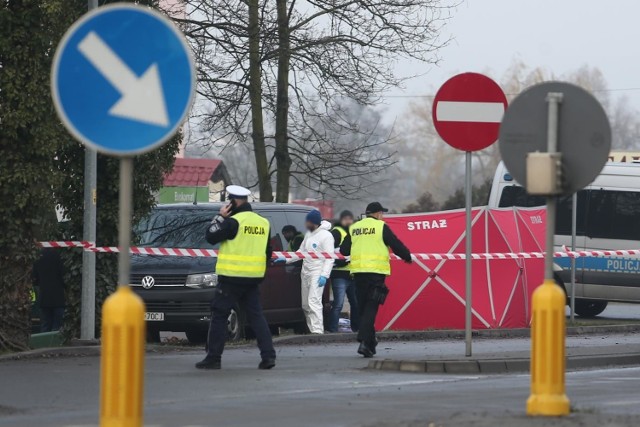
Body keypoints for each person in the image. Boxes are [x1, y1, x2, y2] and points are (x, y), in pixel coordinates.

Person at [196, 185, 276, 370]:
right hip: (253, 278)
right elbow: (267, 252)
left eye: (229, 201)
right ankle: (268, 356)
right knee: (257, 317)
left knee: (219, 315)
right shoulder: (263, 223)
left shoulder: (233, 222)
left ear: (233, 202)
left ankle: (213, 357)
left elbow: (210, 236)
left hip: (231, 278)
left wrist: (220, 217)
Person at [340, 202, 412, 358]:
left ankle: (370, 344)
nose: (383, 216)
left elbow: (343, 250)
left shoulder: (355, 227)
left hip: (358, 273)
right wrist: (407, 257)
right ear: (378, 214)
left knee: (363, 308)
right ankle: (364, 340)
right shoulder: (381, 227)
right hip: (376, 274)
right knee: (371, 308)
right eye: (382, 213)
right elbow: (395, 244)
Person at [277, 210, 334, 334]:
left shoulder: (326, 236)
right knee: (306, 305)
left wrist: (324, 275)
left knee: (314, 302)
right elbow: (300, 253)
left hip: (317, 272)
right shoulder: (309, 234)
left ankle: (318, 332)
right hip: (306, 272)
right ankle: (312, 330)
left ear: (314, 222)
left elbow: (330, 258)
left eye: (308, 221)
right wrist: (285, 259)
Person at [328, 210, 359, 333]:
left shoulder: (353, 232)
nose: (348, 221)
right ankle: (333, 330)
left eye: (350, 219)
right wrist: (342, 261)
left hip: (352, 273)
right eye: (346, 219)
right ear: (341, 220)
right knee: (338, 305)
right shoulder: (336, 232)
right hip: (339, 273)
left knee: (355, 304)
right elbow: (329, 252)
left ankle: (356, 329)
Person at [32, 248, 66, 332]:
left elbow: (34, 278)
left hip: (44, 297)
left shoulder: (38, 257)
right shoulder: (60, 256)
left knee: (45, 325)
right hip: (58, 298)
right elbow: (64, 277)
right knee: (57, 326)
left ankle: (43, 344)